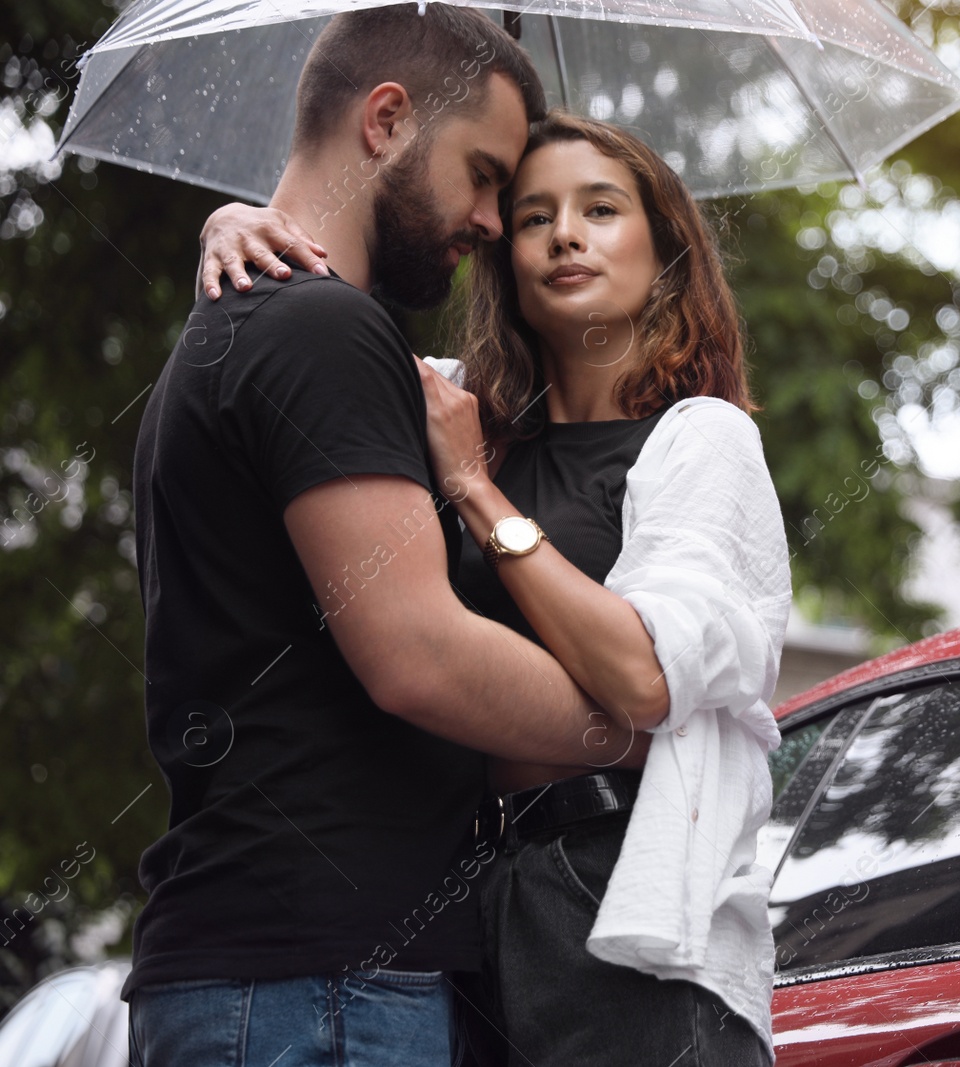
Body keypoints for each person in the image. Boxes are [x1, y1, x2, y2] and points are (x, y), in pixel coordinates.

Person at [198, 112, 792, 1065]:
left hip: (623, 890)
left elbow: (646, 677)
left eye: (600, 208)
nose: (563, 233)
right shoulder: (456, 406)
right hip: (464, 909)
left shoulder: (701, 440)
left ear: (667, 248)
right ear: (502, 254)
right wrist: (231, 226)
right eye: (531, 216)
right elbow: (310, 337)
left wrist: (475, 493)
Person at [128, 10, 642, 1067]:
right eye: (486, 175)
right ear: (388, 120)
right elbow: (418, 653)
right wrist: (636, 724)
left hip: (268, 979)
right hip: (318, 987)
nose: (497, 221)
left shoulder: (244, 321)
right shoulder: (322, 328)